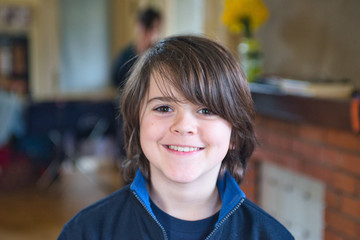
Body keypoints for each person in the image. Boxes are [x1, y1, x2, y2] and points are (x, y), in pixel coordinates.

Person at [58, 35, 294, 240]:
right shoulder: (86, 232)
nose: (183, 127)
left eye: (207, 110)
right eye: (163, 108)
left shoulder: (271, 236)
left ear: (234, 133)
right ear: (137, 123)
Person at [111, 7, 162, 90]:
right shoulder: (125, 55)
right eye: (151, 29)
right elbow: (116, 80)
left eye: (156, 29)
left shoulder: (160, 55)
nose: (153, 35)